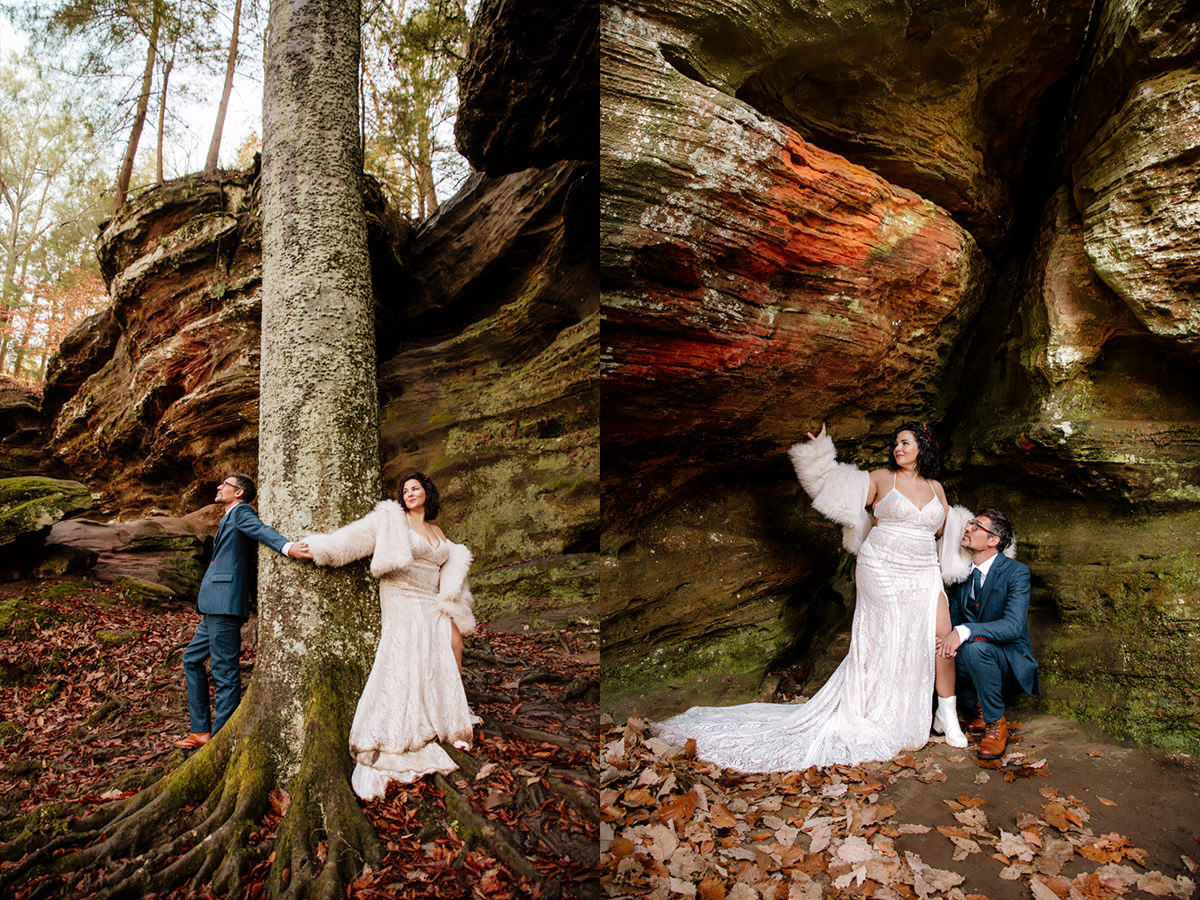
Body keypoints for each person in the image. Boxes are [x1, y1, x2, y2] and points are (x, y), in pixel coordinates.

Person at [658, 422, 970, 771]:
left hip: (923, 570)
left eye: (906, 443)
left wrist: (979, 537)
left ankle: (946, 716)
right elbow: (836, 490)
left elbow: (946, 529)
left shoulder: (935, 487)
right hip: (882, 567)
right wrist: (821, 454)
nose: (898, 448)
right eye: (896, 443)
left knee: (941, 635)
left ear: (923, 448)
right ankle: (878, 708)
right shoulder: (882, 478)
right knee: (887, 637)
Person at [302, 471, 478, 800]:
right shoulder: (391, 518)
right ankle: (413, 723)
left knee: (451, 644)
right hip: (402, 593)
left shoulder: (437, 530)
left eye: (416, 488)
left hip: (432, 597)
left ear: (428, 491)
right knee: (408, 654)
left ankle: (451, 712)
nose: (410, 493)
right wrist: (319, 548)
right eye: (405, 490)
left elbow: (449, 564)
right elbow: (356, 538)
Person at [173, 473, 309, 750]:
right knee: (190, 660)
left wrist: (288, 547)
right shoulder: (228, 516)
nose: (219, 486)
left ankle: (221, 740)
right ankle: (200, 731)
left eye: (226, 484)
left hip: (224, 605)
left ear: (238, 493)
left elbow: (260, 530)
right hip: (212, 605)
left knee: (225, 672)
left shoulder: (241, 512)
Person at [937, 508, 1039, 759]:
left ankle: (996, 723)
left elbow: (1013, 626)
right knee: (940, 648)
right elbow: (955, 620)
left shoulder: (1016, 572)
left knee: (974, 646)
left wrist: (965, 631)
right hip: (974, 658)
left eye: (976, 525)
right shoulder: (961, 574)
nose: (967, 528)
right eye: (969, 523)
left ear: (994, 540)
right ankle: (976, 706)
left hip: (1007, 659)